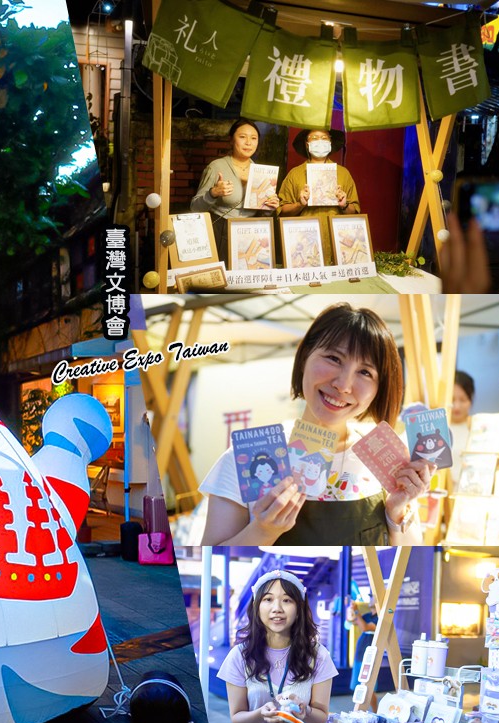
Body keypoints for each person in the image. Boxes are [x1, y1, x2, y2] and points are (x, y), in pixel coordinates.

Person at [200, 303, 436, 545]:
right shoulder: (248, 457)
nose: (343, 385)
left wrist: (397, 509)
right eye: (334, 358)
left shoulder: (384, 457)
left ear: (379, 388)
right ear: (304, 357)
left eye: (365, 373)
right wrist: (263, 531)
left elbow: (408, 561)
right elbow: (209, 561)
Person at [219, 570, 336, 723]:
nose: (277, 608)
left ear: (299, 608)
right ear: (257, 607)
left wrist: (304, 710)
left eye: (287, 600)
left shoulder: (318, 655)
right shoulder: (240, 655)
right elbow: (237, 719)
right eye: (268, 599)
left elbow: (321, 718)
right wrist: (260, 714)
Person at [191, 118, 281, 255]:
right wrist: (213, 193)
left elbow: (261, 212)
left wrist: (269, 207)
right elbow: (195, 207)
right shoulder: (216, 167)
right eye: (242, 137)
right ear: (231, 140)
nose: (248, 143)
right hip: (220, 232)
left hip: (251, 235)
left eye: (254, 138)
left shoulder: (261, 172)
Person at [277, 129, 361, 265]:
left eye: (324, 138)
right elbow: (282, 211)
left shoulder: (343, 173)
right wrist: (300, 204)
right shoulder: (295, 174)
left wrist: (344, 204)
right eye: (314, 138)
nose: (320, 141)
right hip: (304, 244)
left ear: (330, 142)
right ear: (306, 144)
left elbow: (355, 212)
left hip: (337, 243)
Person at [449, 370, 474, 470]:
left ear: (471, 400)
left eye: (463, 400)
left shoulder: (478, 428)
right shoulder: (436, 430)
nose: (456, 407)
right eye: (452, 400)